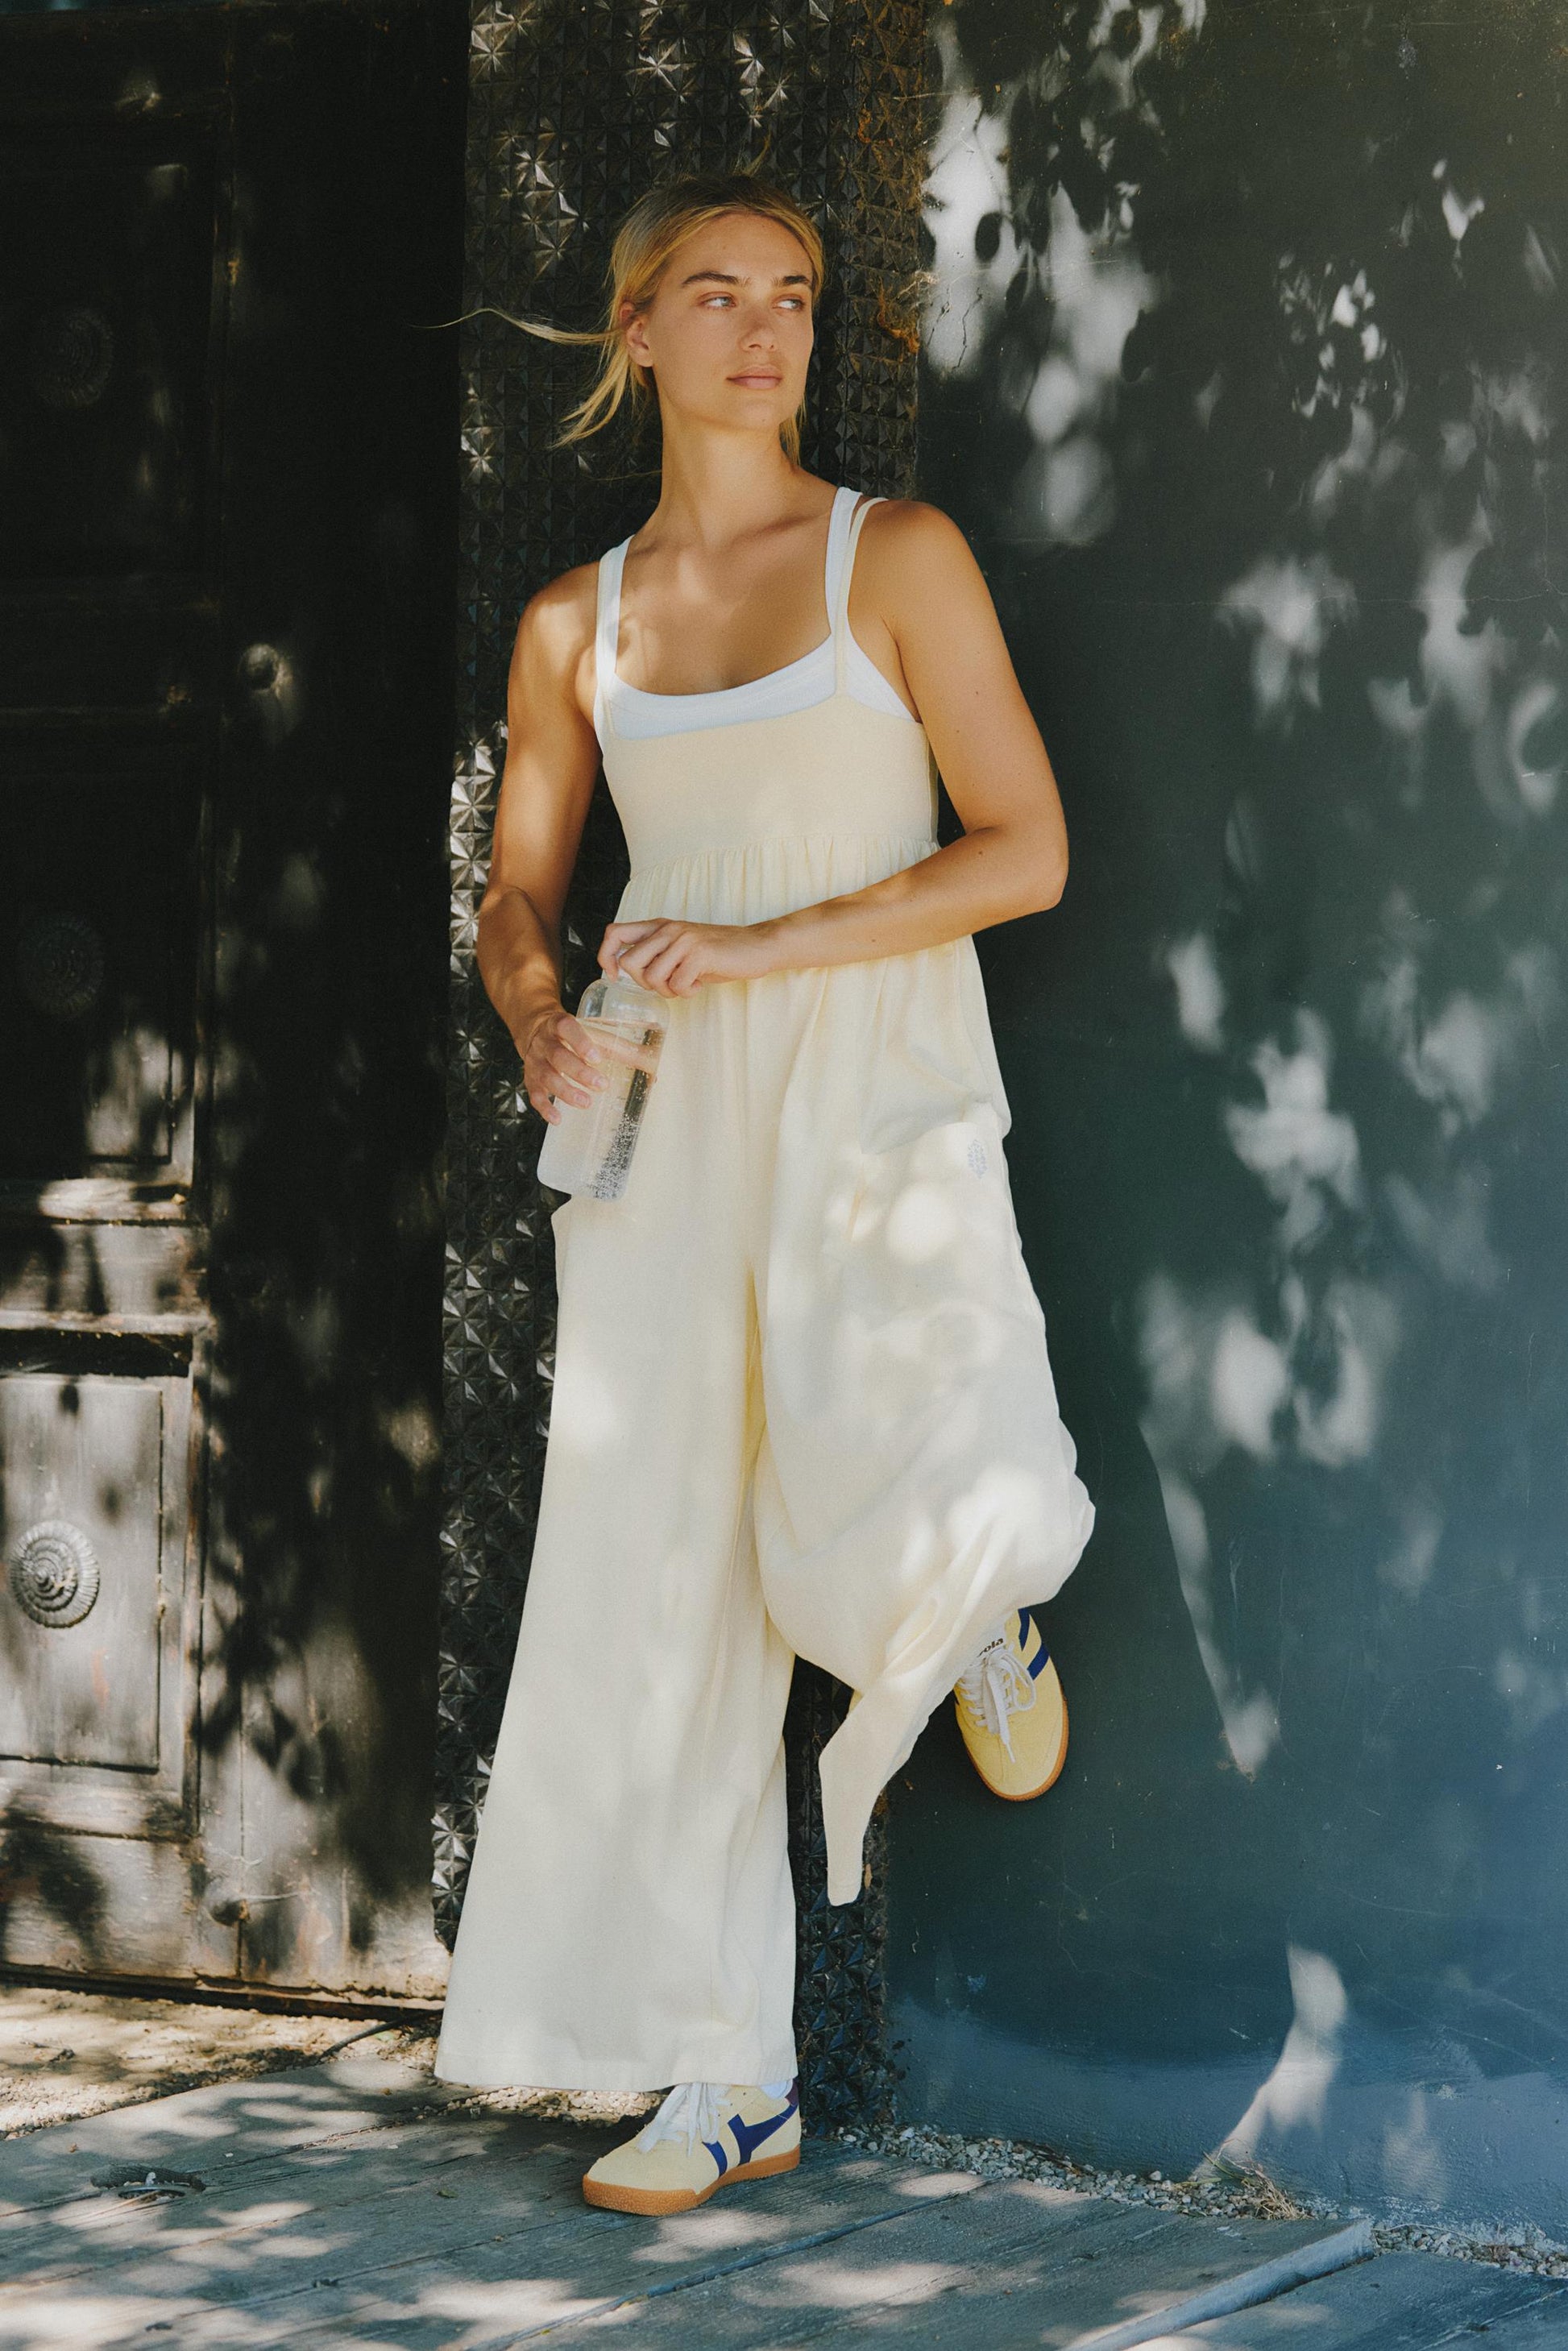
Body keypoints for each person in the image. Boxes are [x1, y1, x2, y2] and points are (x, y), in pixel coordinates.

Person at [432, 170, 1096, 2217]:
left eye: (791, 295)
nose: (761, 331)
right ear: (635, 331)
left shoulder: (896, 559)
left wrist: (774, 943)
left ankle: (976, 1595)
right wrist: (538, 1018)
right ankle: (729, 2074)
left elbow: (1025, 849)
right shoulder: (578, 622)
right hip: (664, 1101)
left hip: (871, 1062)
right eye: (713, 294)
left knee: (901, 1409)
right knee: (665, 1574)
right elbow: (517, 892)